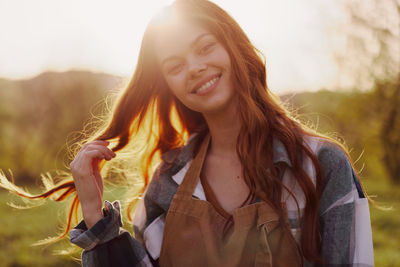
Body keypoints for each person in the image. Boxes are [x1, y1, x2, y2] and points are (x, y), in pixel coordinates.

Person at [3, 0, 374, 266]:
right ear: (168, 85)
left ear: (234, 47)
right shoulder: (168, 180)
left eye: (205, 47)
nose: (195, 68)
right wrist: (93, 209)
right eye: (175, 65)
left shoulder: (319, 166)